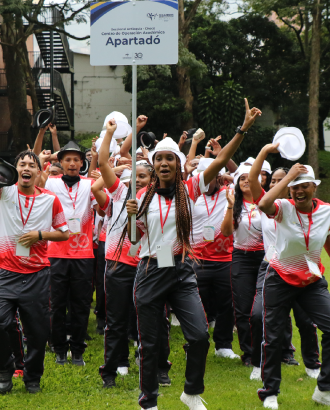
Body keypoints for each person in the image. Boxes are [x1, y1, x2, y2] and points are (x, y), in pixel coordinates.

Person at [126, 99, 261, 410]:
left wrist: (242, 129)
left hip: (182, 270)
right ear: (153, 164)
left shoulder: (190, 188)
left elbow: (221, 159)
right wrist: (133, 216)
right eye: (158, 159)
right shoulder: (141, 199)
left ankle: (191, 391)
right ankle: (148, 401)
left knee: (200, 335)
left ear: (177, 163)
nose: (163, 164)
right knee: (150, 342)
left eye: (169, 159)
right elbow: (134, 240)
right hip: (149, 271)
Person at [257, 163, 330, 409]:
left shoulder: (327, 212)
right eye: (294, 187)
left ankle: (324, 388)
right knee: (274, 337)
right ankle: (270, 392)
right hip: (280, 277)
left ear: (314, 188)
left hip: (312, 280)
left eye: (304, 186)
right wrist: (288, 176)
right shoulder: (284, 207)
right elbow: (264, 204)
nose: (298, 191)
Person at [248, 144, 321, 382]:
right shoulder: (273, 204)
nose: (293, 187)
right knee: (261, 317)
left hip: (305, 270)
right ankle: (260, 365)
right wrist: (265, 153)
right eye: (276, 180)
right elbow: (253, 181)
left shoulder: (311, 209)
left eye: (301, 184)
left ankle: (312, 364)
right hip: (272, 268)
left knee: (306, 321)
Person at [0, 151, 69, 394]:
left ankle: (32, 378)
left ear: (39, 172)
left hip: (37, 274)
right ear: (15, 170)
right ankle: (5, 369)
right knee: (1, 323)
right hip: (5, 272)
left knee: (38, 332)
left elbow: (64, 232)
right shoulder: (4, 193)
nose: (26, 168)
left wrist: (40, 235)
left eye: (32, 165)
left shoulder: (50, 199)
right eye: (22, 164)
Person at [43, 141, 99, 366]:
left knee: (81, 304)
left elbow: (102, 208)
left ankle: (77, 350)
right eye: (67, 159)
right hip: (56, 253)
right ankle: (59, 349)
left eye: (77, 159)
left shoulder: (90, 184)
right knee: (56, 305)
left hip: (83, 254)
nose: (72, 163)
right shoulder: (50, 182)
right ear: (61, 161)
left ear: (82, 163)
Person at [190, 158, 238, 360]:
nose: (204, 182)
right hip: (196, 258)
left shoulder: (230, 192)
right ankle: (194, 343)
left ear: (218, 177)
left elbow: (247, 178)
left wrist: (229, 171)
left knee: (226, 304)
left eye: (210, 177)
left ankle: (223, 344)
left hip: (223, 259)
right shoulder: (192, 194)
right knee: (194, 304)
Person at [221, 164, 264, 367]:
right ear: (237, 184)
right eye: (242, 178)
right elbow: (227, 232)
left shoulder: (267, 202)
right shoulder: (234, 203)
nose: (246, 181)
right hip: (242, 258)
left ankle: (275, 350)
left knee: (268, 307)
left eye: (250, 177)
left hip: (266, 257)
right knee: (244, 308)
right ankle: (249, 353)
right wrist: (230, 206)